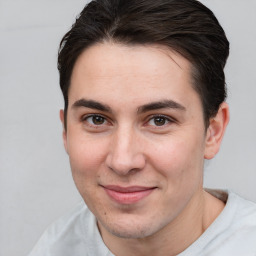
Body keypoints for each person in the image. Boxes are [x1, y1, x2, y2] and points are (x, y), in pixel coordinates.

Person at [28, 0, 256, 255]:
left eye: (159, 120)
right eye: (97, 119)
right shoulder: (52, 248)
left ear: (213, 132)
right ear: (66, 132)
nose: (123, 162)